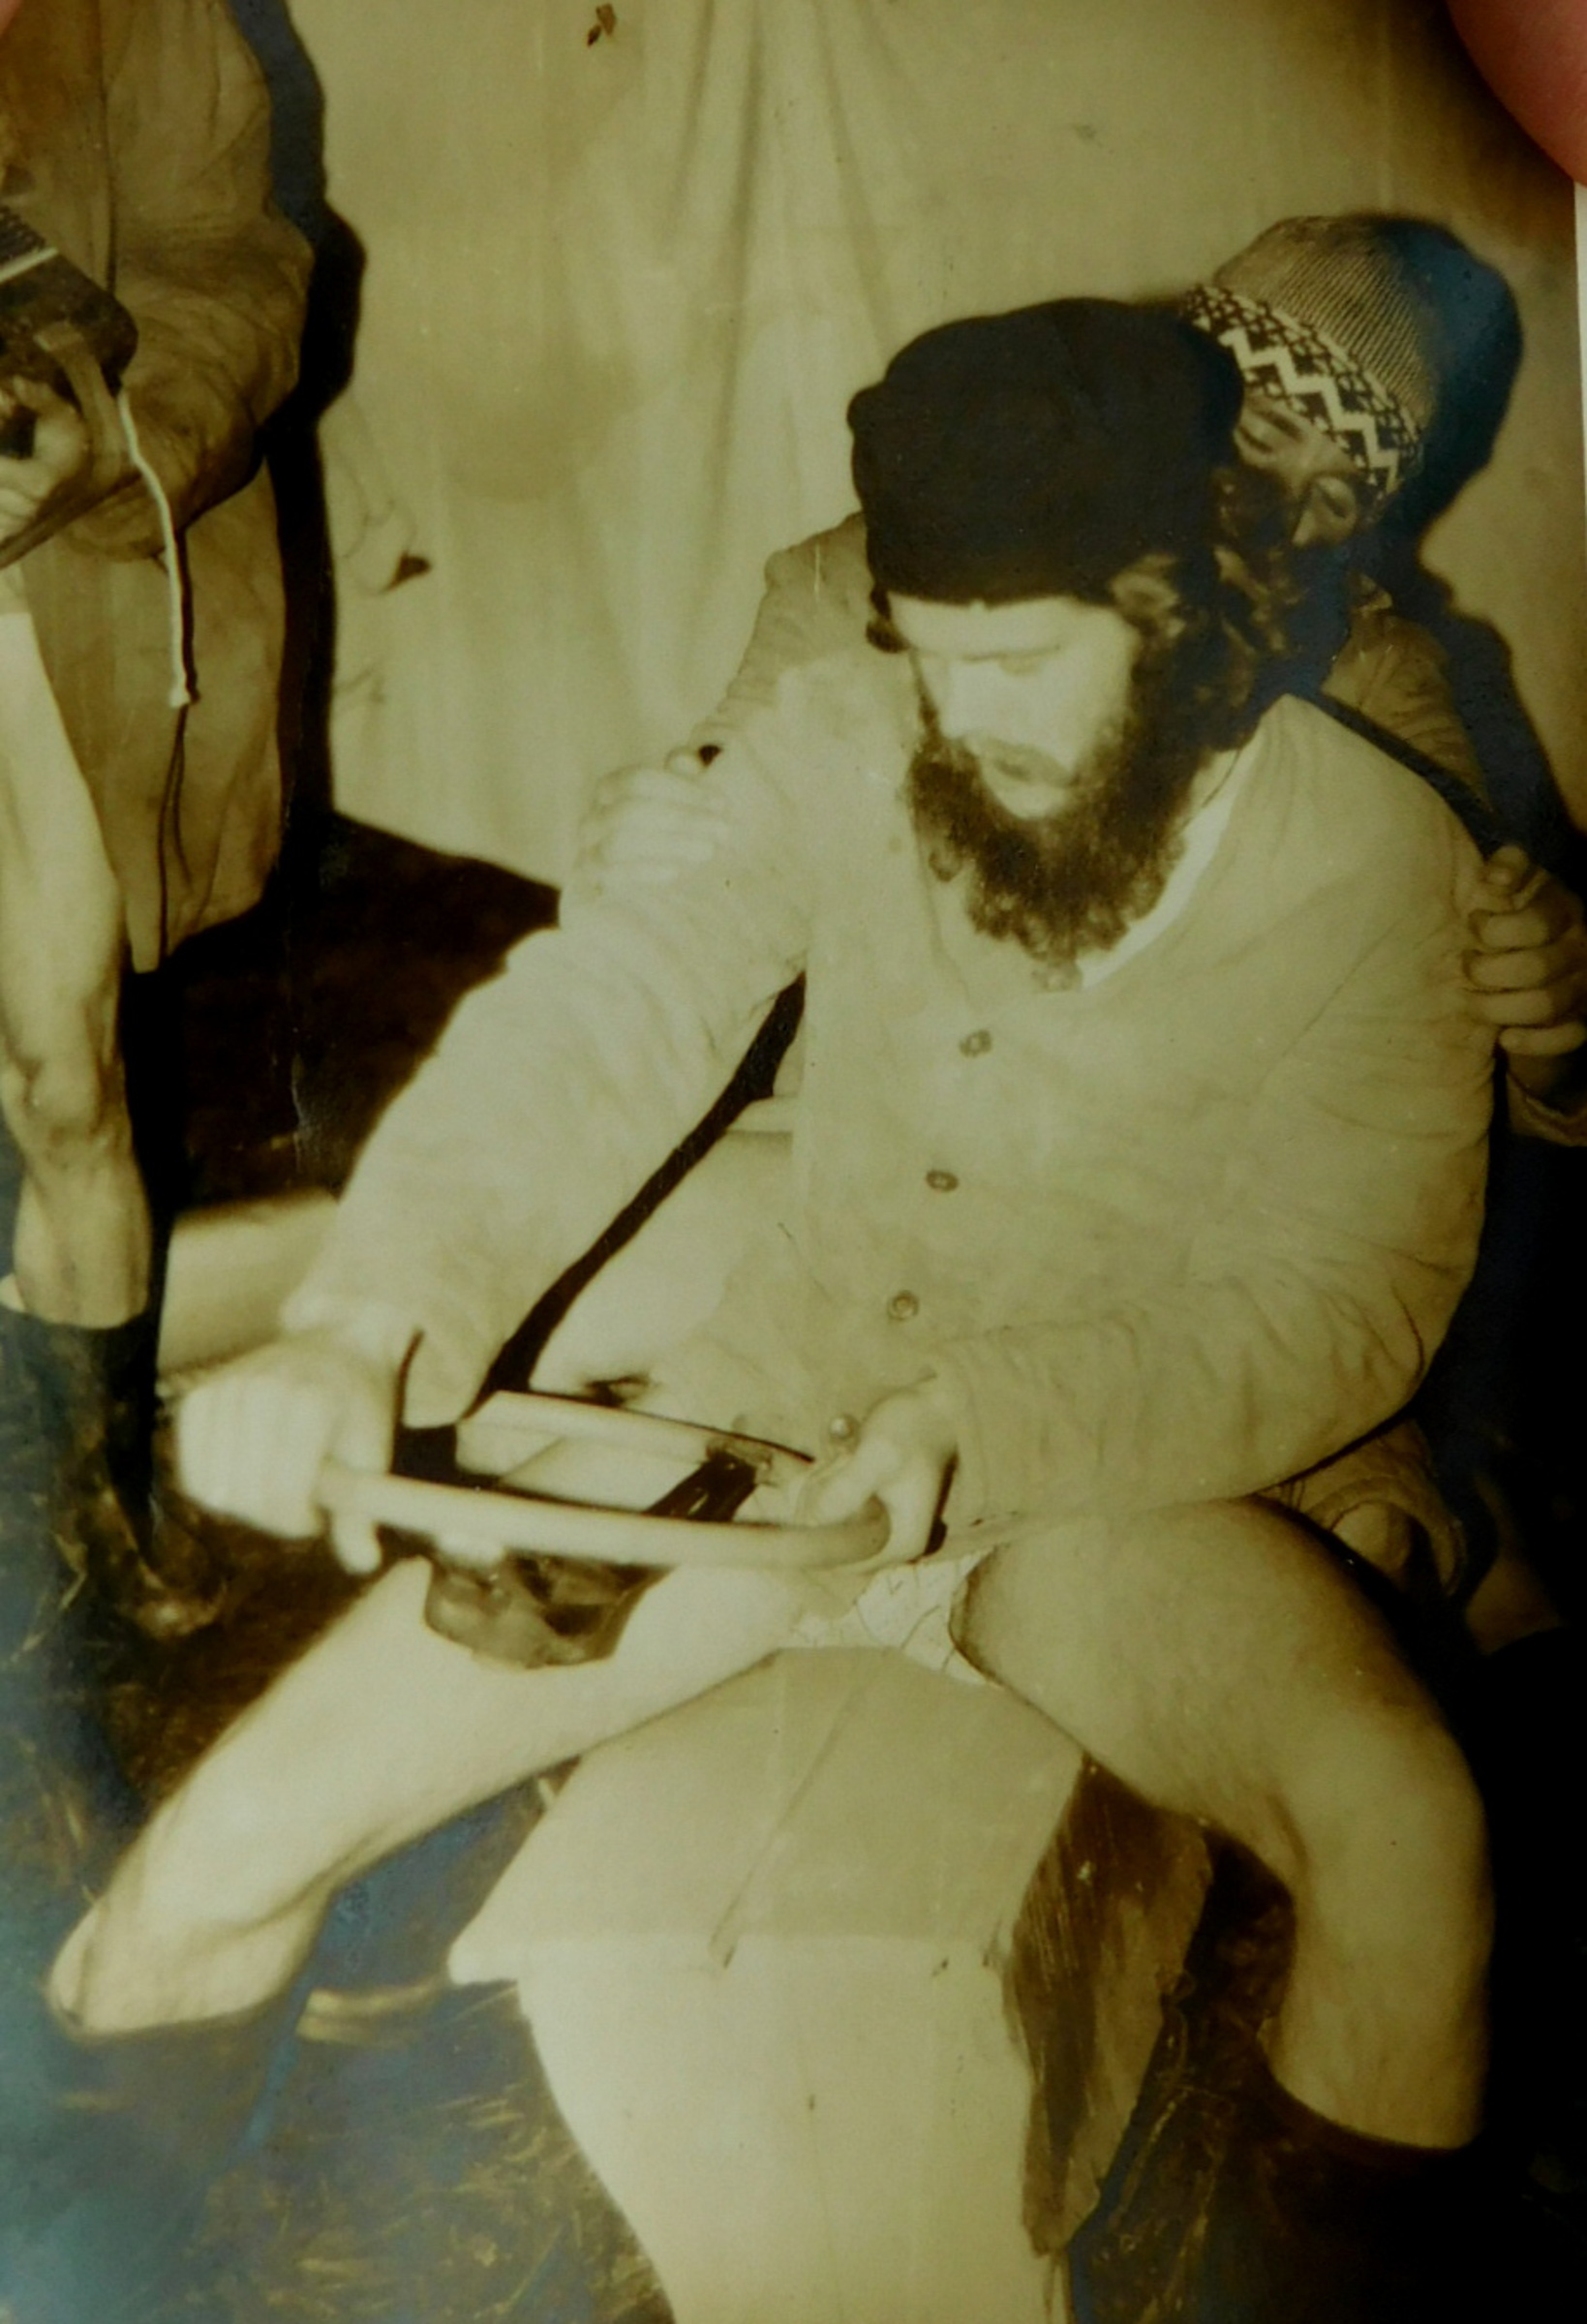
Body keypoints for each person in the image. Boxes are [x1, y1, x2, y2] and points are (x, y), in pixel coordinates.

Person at [50, 298, 1497, 2320]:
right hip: (756, 1435)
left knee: (1405, 1837)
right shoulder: (851, 736)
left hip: (1114, 1494)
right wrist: (367, 1319)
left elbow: (1342, 1303)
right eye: (928, 653)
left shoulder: (1375, 860)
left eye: (1021, 663)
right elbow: (603, 1016)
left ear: (1193, 617)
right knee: (198, 1879)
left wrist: (981, 1420)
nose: (959, 717)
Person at [0, 0, 310, 1624]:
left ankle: (95, 1495)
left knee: (61, 1080)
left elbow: (232, 268)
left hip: (25, 575)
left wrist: (105, 453)